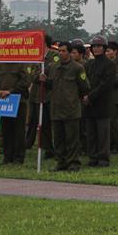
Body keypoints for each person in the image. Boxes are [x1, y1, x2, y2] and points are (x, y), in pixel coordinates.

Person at [41, 42, 90, 172]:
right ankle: (61, 162)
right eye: (60, 51)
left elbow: (84, 87)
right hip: (56, 108)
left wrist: (74, 98)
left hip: (71, 109)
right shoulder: (53, 67)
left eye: (64, 51)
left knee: (72, 138)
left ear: (69, 52)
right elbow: (49, 85)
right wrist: (44, 80)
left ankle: (73, 162)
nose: (61, 53)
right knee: (58, 138)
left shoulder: (77, 68)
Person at [0, 61, 31, 165]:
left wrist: (10, 91)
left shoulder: (22, 64)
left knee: (19, 131)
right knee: (6, 130)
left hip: (18, 100)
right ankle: (7, 156)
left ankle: (18, 157)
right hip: (4, 101)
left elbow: (26, 81)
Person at [83, 36, 116, 167]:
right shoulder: (89, 64)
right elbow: (84, 82)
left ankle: (103, 159)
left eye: (99, 46)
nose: (96, 48)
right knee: (90, 133)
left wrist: (90, 97)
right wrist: (85, 95)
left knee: (103, 134)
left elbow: (105, 85)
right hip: (89, 104)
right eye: (94, 46)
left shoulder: (109, 64)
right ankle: (92, 157)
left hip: (102, 104)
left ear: (104, 48)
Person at [25, 35, 58, 158]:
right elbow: (31, 75)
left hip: (47, 95)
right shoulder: (36, 57)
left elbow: (52, 75)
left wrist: (42, 78)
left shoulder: (54, 57)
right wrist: (37, 77)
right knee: (32, 121)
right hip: (35, 95)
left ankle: (49, 148)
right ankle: (28, 143)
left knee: (45, 124)